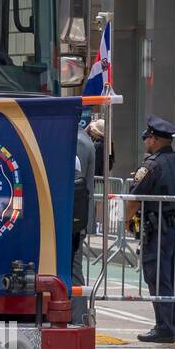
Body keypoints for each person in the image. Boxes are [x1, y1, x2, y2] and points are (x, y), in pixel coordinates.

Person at [126, 117, 175, 344]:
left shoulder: (151, 165)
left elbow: (134, 199)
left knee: (158, 278)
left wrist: (127, 223)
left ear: (155, 139)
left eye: (147, 137)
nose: (146, 142)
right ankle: (172, 326)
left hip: (159, 232)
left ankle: (164, 327)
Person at [72, 122, 96, 289]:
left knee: (73, 272)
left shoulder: (78, 142)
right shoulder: (81, 139)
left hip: (74, 219)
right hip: (75, 218)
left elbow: (76, 185)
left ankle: (78, 315)